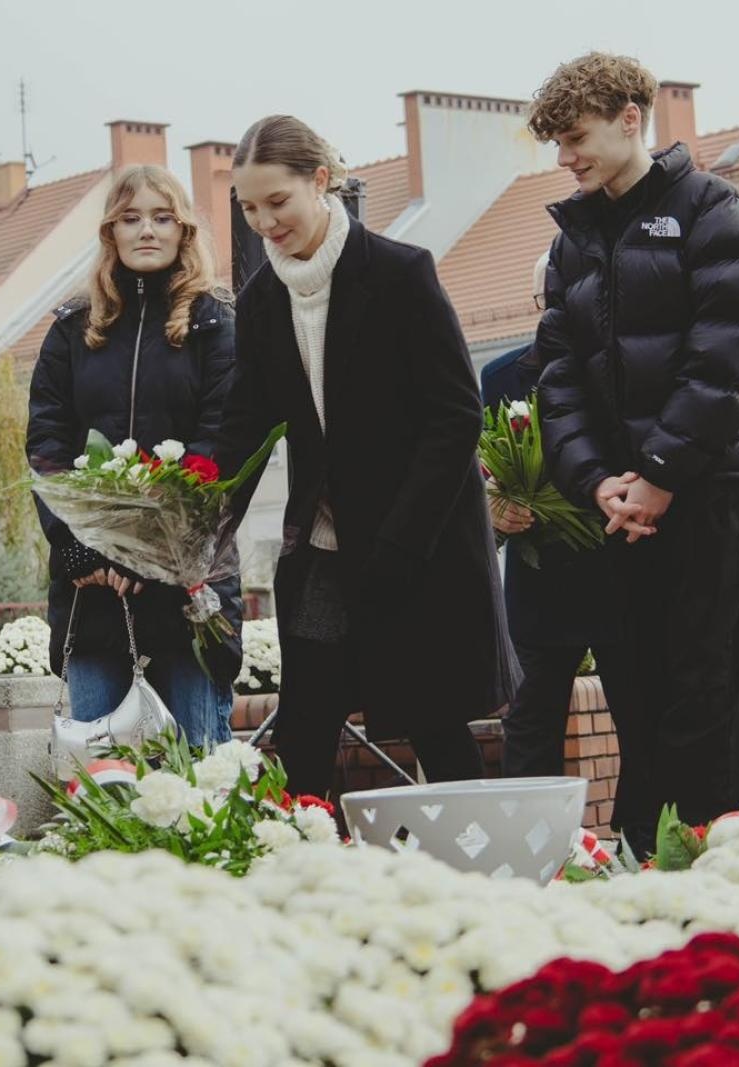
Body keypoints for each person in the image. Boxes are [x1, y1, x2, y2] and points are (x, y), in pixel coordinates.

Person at [211, 115, 516, 797]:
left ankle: (479, 878)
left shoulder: (401, 274)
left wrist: (403, 542)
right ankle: (317, 872)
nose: (265, 222)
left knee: (433, 721)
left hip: (417, 544)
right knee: (304, 727)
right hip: (324, 545)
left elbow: (455, 415)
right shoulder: (261, 301)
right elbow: (245, 427)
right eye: (250, 208)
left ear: (320, 181)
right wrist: (195, 522)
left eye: (278, 202)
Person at [527, 51, 739, 855]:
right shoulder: (573, 241)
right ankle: (641, 854)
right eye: (558, 146)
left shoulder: (716, 211)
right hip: (617, 508)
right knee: (635, 693)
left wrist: (664, 474)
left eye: (576, 138)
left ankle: (703, 855)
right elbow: (557, 376)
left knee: (706, 691)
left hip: (709, 492)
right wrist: (600, 480)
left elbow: (736, 351)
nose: (566, 159)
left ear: (631, 119)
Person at [26, 165, 241, 746]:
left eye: (162, 217)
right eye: (131, 218)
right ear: (111, 232)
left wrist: (149, 549)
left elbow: (217, 443)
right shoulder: (71, 332)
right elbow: (47, 447)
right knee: (101, 777)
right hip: (92, 592)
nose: (147, 230)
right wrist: (77, 546)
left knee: (196, 774)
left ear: (183, 230)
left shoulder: (215, 326)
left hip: (185, 587)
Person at [482, 253, 627, 778]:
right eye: (548, 299)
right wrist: (495, 507)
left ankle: (642, 842)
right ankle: (531, 845)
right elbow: (483, 468)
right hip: (538, 582)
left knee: (638, 716)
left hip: (620, 570)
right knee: (529, 721)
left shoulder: (624, 371)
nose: (557, 309)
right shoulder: (500, 377)